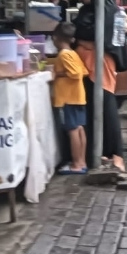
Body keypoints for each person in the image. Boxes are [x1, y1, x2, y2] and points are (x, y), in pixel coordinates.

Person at [70, 0, 126, 172]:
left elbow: (95, 35)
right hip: (90, 62)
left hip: (100, 62)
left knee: (106, 107)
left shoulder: (108, 11)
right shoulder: (94, 9)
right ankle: (101, 150)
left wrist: (82, 40)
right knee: (94, 108)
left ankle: (117, 154)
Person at [51, 22, 88, 175]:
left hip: (68, 98)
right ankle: (82, 161)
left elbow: (75, 74)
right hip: (78, 96)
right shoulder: (73, 53)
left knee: (72, 130)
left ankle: (76, 164)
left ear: (55, 38)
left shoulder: (64, 55)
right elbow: (84, 71)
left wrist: (58, 74)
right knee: (79, 129)